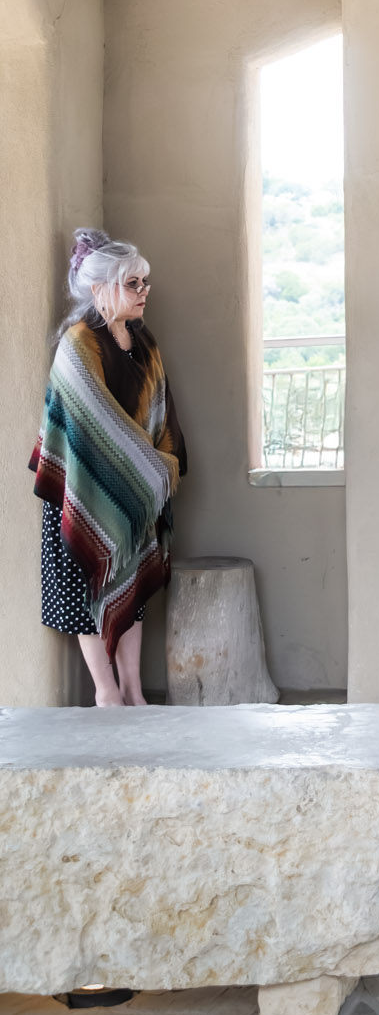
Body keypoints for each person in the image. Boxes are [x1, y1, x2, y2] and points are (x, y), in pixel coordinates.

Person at [30, 228, 187, 707]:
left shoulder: (143, 341)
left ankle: (134, 692)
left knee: (130, 590)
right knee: (89, 594)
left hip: (134, 495)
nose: (144, 292)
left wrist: (159, 466)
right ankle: (107, 694)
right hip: (86, 491)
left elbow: (160, 411)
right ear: (100, 290)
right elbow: (91, 424)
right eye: (132, 283)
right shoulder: (78, 344)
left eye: (145, 282)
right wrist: (149, 467)